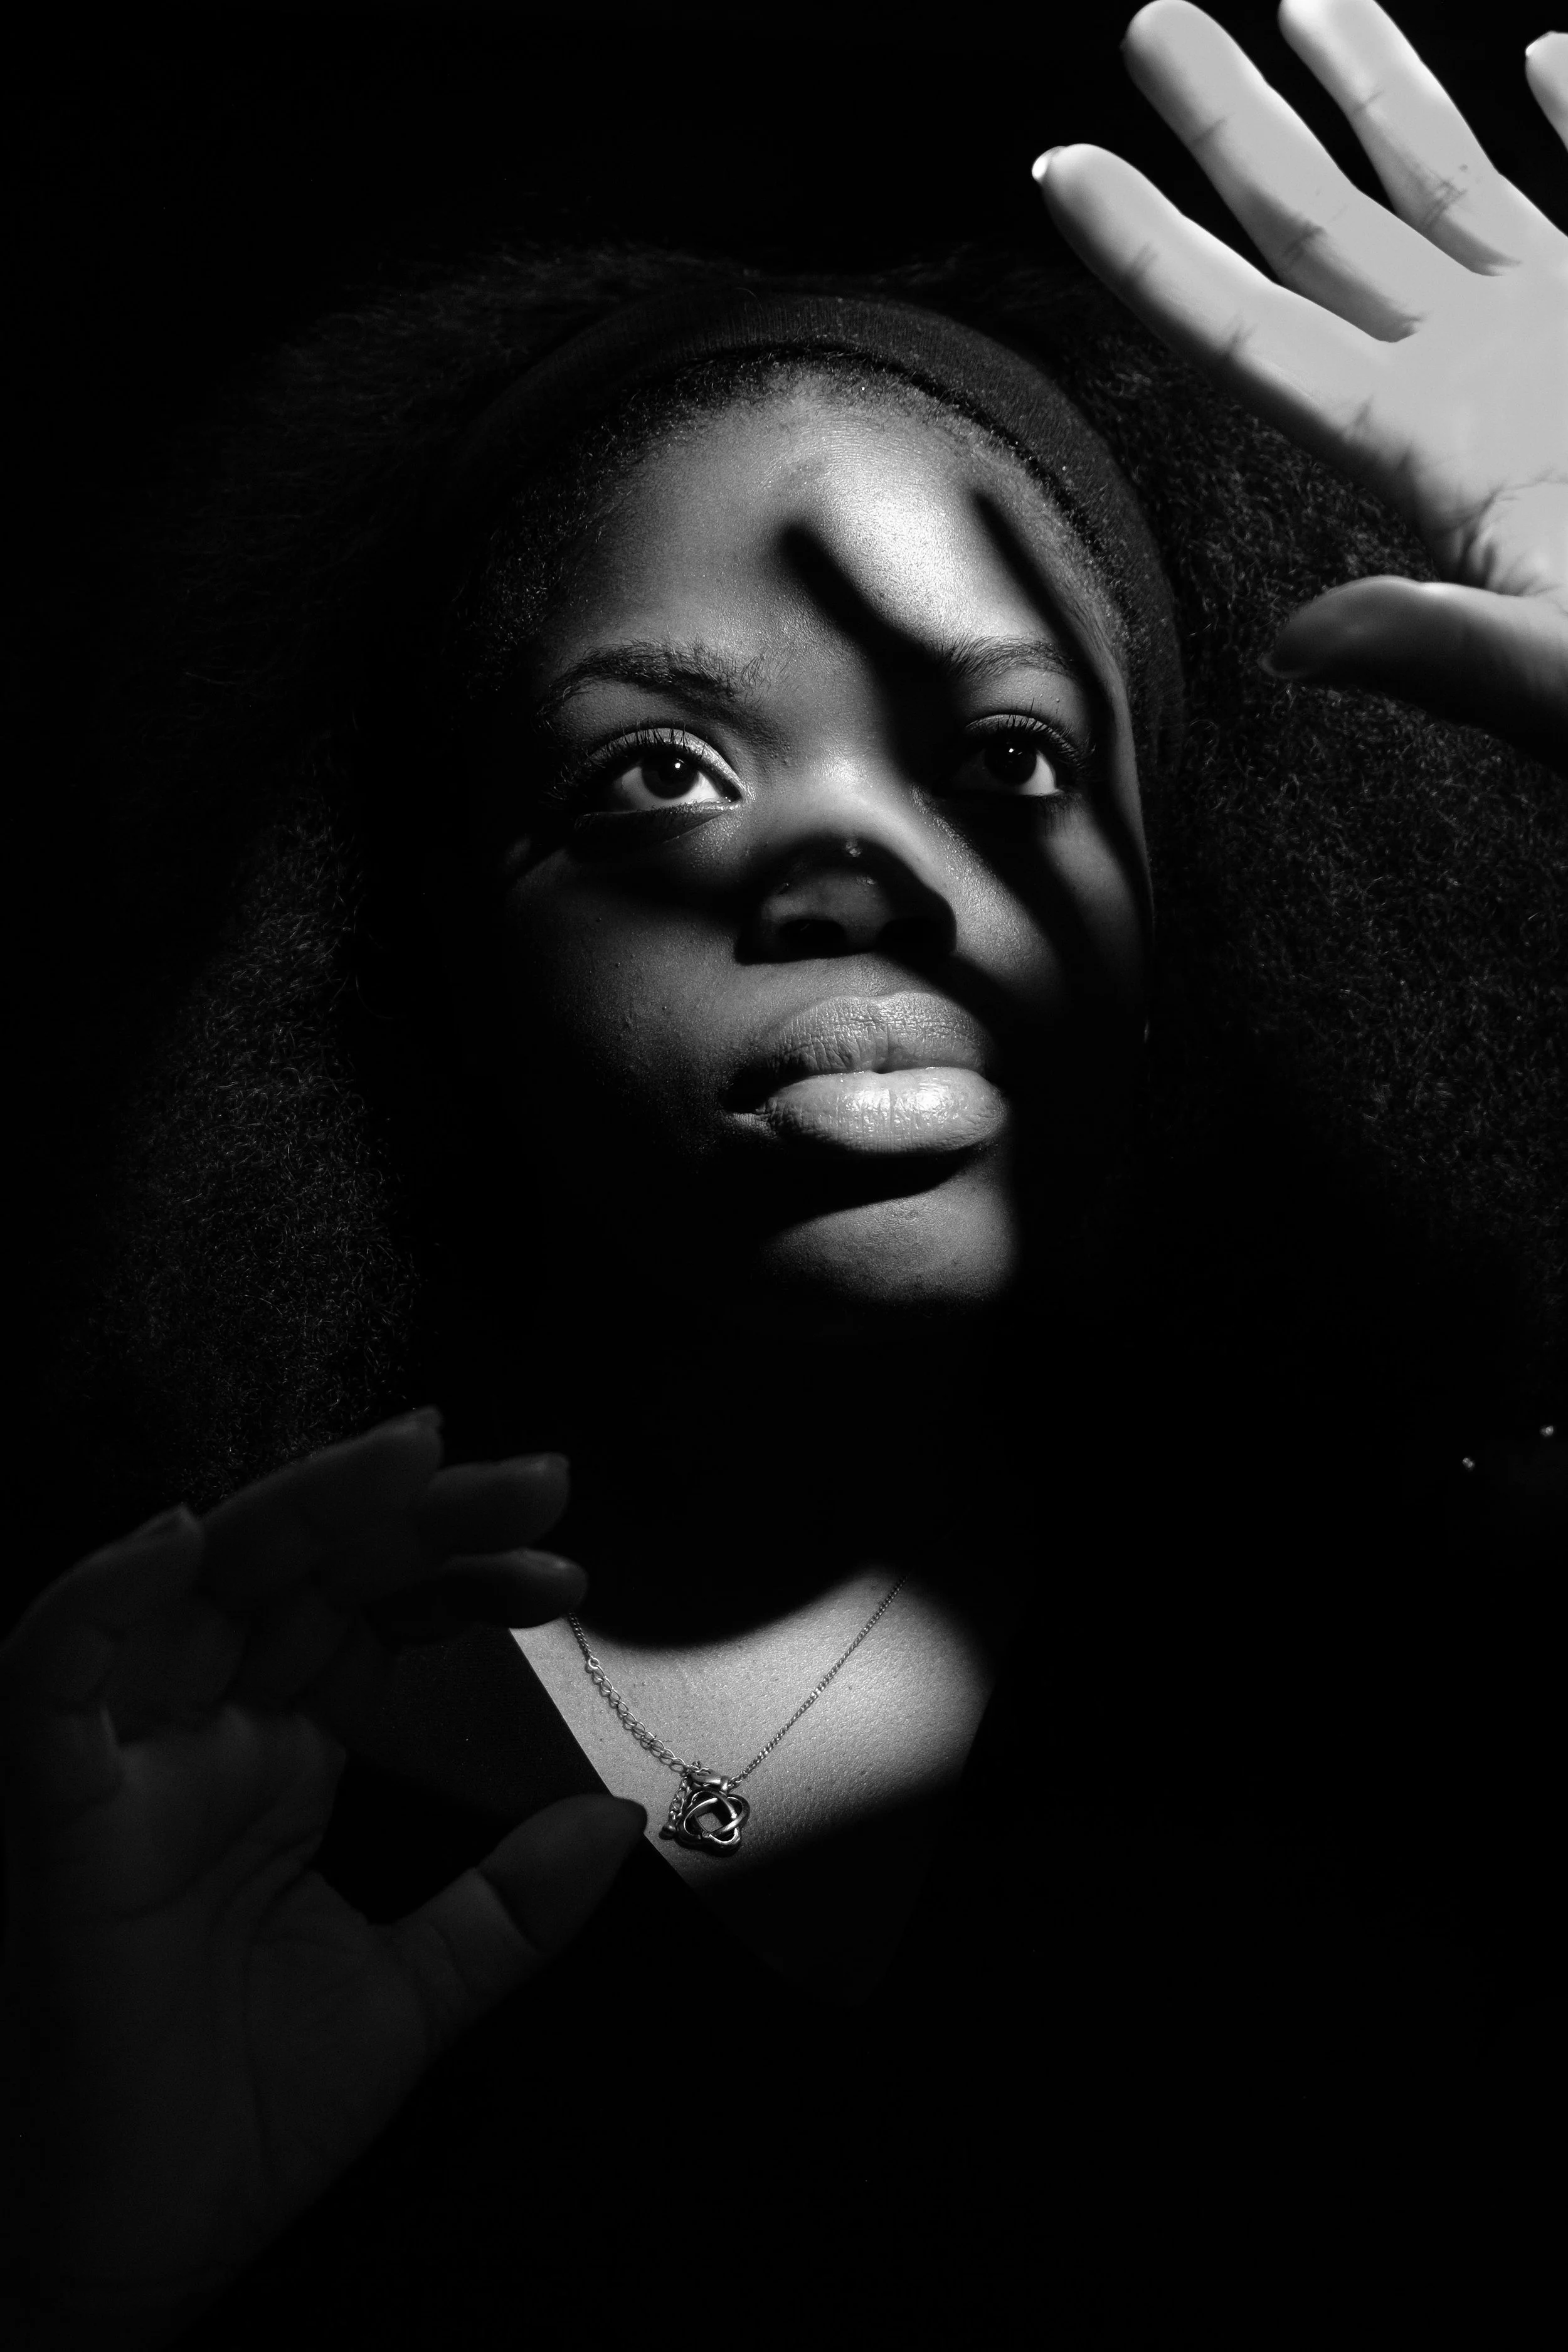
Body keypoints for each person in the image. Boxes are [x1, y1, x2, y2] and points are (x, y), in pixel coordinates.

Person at [3, 3, 1564, 2343]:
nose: (854, 849)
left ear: (1182, 923)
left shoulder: (1460, 1670)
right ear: (422, 936)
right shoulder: (161, 1791)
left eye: (1015, 750)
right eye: (660, 771)